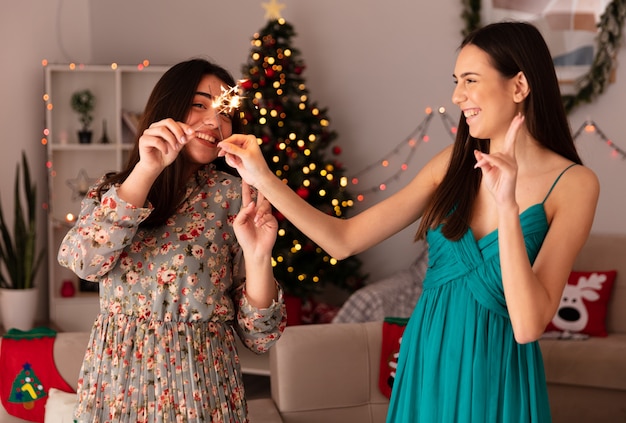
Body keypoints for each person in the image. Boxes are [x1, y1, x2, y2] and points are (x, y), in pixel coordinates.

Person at [217, 21, 600, 422]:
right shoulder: (450, 166)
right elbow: (342, 240)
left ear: (519, 86)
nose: (457, 96)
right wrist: (263, 177)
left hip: (498, 374)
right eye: (456, 81)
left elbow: (527, 326)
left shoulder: (573, 185)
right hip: (427, 362)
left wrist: (507, 206)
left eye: (470, 80)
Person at [58, 58, 286, 423]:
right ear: (168, 107)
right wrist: (147, 169)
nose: (215, 121)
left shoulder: (236, 198)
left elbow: (261, 337)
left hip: (204, 388)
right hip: (118, 385)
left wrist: (260, 256)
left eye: (225, 113)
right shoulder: (115, 190)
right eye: (199, 104)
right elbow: (83, 262)